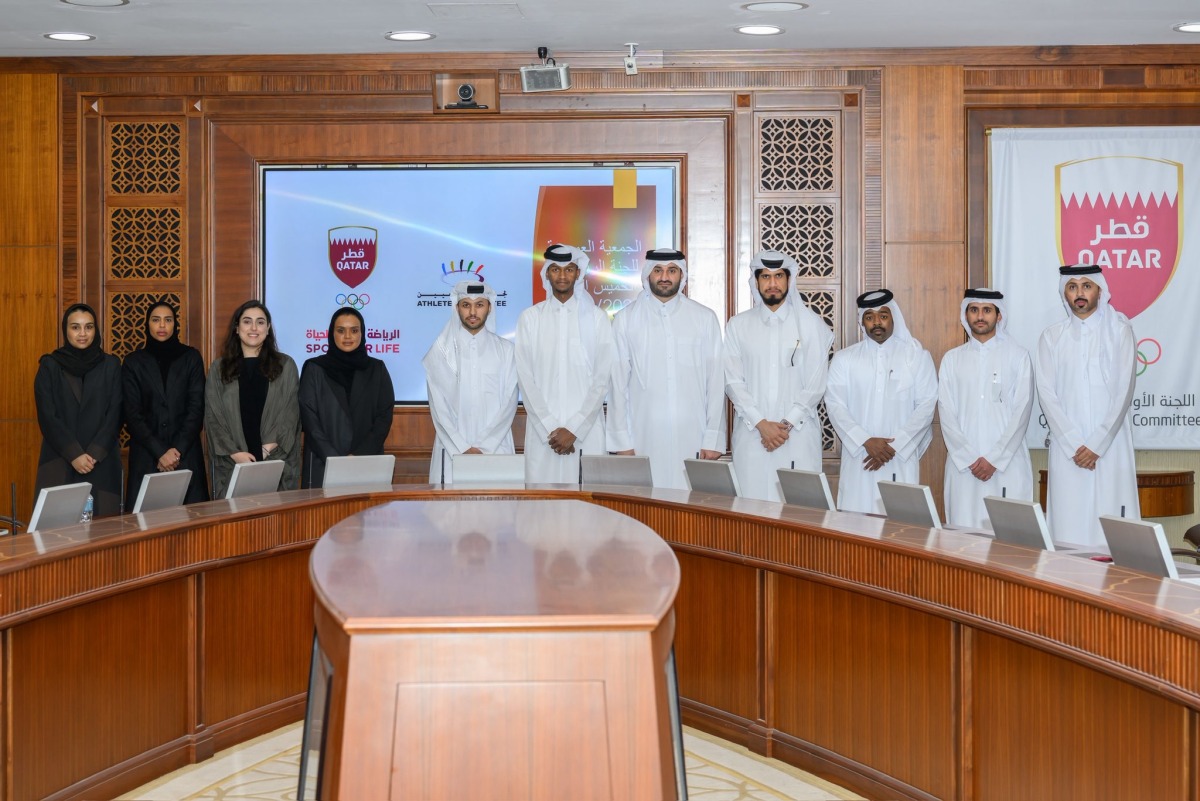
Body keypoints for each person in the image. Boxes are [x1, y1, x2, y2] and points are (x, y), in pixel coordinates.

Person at [1034, 264, 1138, 546]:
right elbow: (1047, 394)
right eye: (1072, 287)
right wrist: (1074, 444)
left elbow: (1124, 391)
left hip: (1111, 447)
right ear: (1064, 293)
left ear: (1099, 291)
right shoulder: (1051, 337)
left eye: (1086, 286)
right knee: (1069, 526)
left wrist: (1097, 444)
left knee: (1113, 527)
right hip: (1068, 450)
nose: (1079, 293)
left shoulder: (1120, 331)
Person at [607, 248, 726, 489]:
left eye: (672, 271)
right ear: (647, 274)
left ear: (682, 275)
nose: (664, 277)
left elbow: (715, 382)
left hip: (693, 433)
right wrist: (622, 443)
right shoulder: (626, 319)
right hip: (643, 434)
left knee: (689, 503)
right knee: (647, 504)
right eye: (658, 270)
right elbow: (617, 385)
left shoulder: (704, 318)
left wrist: (713, 438)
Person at [723, 250, 833, 501]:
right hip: (752, 435)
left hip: (798, 436)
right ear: (756, 281)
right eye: (765, 276)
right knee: (751, 511)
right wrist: (761, 424)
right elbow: (732, 381)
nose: (772, 283)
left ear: (789, 279)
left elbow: (816, 385)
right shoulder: (738, 326)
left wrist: (785, 425)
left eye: (778, 276)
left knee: (796, 513)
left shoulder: (811, 325)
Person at [825, 289, 938, 514]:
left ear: (893, 318)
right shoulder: (844, 359)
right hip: (860, 456)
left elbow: (926, 405)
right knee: (854, 525)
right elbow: (835, 405)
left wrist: (894, 446)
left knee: (898, 525)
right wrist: (865, 441)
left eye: (883, 316)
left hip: (899, 458)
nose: (877, 322)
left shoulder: (916, 356)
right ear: (862, 322)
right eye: (869, 317)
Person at [515, 244, 616, 483]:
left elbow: (602, 379)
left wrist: (575, 429)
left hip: (586, 435)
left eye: (569, 269)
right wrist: (551, 428)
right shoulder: (530, 318)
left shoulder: (597, 319)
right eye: (556, 269)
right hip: (544, 436)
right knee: (542, 504)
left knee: (587, 503)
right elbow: (525, 379)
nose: (562, 276)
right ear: (546, 274)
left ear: (578, 273)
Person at [937, 289, 1034, 528]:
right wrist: (968, 457)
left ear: (999, 316)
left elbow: (1022, 412)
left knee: (1008, 537)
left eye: (987, 310)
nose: (980, 316)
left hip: (1007, 466)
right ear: (966, 315)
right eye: (974, 310)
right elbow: (946, 413)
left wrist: (995, 459)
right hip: (963, 467)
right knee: (963, 538)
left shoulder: (1018, 357)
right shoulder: (952, 359)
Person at [422, 280, 519, 483]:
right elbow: (438, 408)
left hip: (496, 450)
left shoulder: (507, 351)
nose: (473, 312)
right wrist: (462, 447)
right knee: (450, 504)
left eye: (479, 305)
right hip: (452, 452)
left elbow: (509, 404)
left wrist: (485, 446)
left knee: (498, 503)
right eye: (466, 305)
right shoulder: (440, 353)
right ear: (456, 307)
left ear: (489, 307)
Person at [34, 303, 123, 517]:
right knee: (58, 532)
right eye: (75, 327)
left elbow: (116, 413)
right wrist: (74, 454)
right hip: (61, 459)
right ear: (65, 330)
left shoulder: (111, 365)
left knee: (104, 532)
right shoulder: (50, 365)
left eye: (88, 327)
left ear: (96, 330)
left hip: (101, 462)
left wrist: (94, 454)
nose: (82, 333)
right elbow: (47, 416)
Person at [204, 300, 301, 498]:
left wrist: (269, 448)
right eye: (247, 321)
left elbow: (291, 413)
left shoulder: (286, 365)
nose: (254, 328)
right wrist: (235, 453)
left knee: (275, 516)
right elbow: (213, 417)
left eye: (260, 322)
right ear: (237, 328)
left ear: (268, 328)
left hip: (274, 458)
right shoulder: (219, 369)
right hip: (232, 463)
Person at [122, 299, 209, 508]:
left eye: (168, 320)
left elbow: (196, 409)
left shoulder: (191, 358)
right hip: (147, 456)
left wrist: (175, 451)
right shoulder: (133, 362)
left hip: (185, 456)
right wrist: (160, 451)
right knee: (146, 524)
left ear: (175, 324)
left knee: (192, 523)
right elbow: (132, 414)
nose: (162, 325)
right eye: (156, 320)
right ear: (147, 324)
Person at [299, 306, 395, 488]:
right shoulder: (314, 368)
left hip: (367, 463)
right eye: (341, 330)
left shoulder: (377, 369)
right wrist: (336, 460)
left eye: (354, 330)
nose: (348, 336)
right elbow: (310, 421)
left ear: (362, 333)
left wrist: (359, 456)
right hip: (323, 463)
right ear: (331, 334)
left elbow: (384, 417)